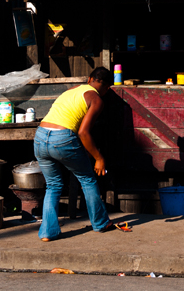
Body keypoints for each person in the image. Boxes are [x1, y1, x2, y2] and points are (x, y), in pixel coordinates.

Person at [34, 66, 113, 241]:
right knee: (87, 179)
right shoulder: (97, 99)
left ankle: (48, 232)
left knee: (53, 185)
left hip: (40, 136)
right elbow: (83, 133)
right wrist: (99, 158)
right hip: (62, 138)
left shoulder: (72, 90)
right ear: (107, 88)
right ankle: (100, 223)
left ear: (89, 80)